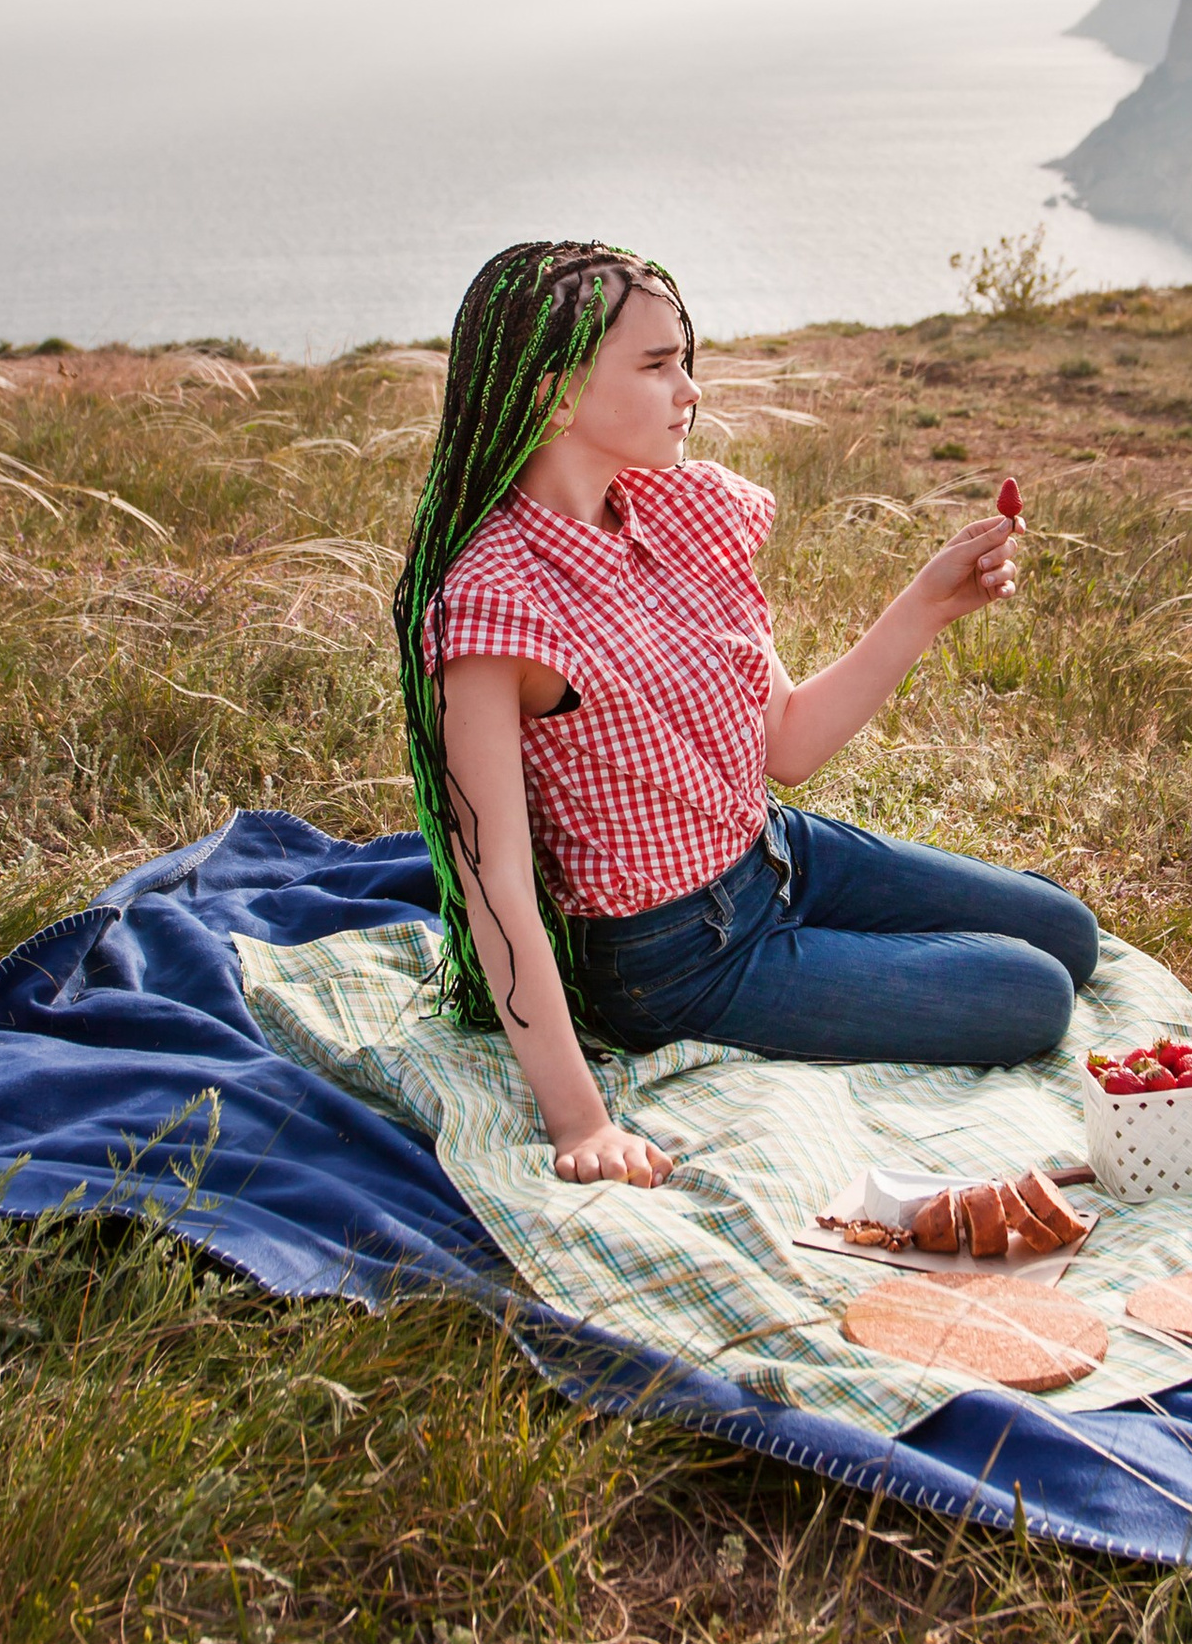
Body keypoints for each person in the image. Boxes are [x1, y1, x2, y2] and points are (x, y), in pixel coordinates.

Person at [392, 238, 1101, 1189]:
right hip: (675, 957)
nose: (690, 389)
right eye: (656, 365)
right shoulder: (496, 606)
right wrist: (582, 1122)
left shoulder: (678, 516)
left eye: (686, 359)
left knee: (1070, 932)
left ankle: (843, 953)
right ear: (551, 394)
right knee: (1036, 995)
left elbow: (791, 743)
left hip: (772, 850)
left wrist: (929, 601)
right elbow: (497, 888)